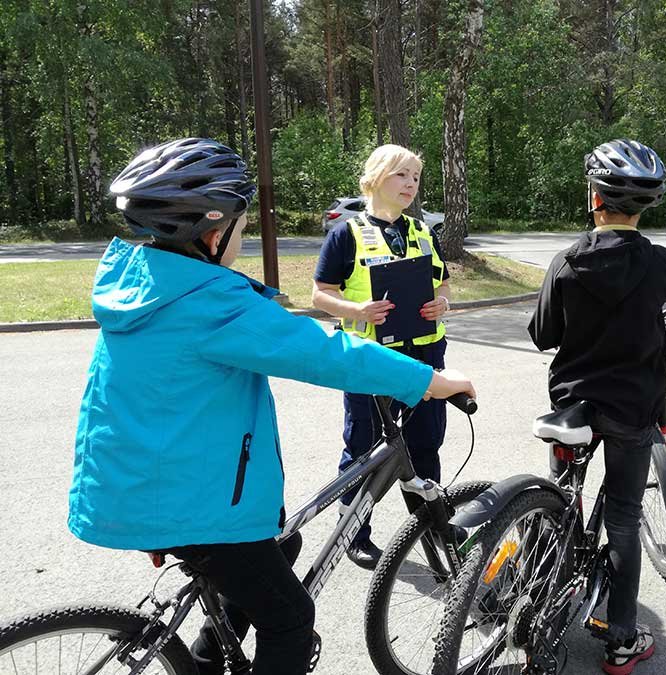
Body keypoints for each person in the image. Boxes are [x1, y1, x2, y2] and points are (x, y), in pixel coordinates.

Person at [67, 137, 475, 675]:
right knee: (290, 619)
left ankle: (207, 662)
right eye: (242, 228)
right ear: (213, 234)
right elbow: (323, 353)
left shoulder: (143, 286)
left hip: (146, 483)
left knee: (283, 547)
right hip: (191, 500)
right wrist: (429, 381)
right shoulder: (209, 302)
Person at [528, 139, 666, 675]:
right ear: (646, 206)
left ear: (594, 198)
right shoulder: (661, 264)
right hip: (632, 410)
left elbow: (542, 335)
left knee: (560, 500)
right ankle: (620, 640)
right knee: (622, 517)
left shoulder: (566, 261)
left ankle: (543, 579)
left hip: (572, 406)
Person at [312, 144, 452, 569]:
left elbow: (443, 284)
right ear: (375, 178)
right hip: (369, 359)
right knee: (363, 449)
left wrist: (443, 302)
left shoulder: (423, 231)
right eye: (401, 175)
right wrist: (356, 311)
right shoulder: (346, 234)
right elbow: (320, 294)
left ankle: (431, 526)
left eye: (416, 177)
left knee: (426, 443)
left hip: (424, 354)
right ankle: (354, 534)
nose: (411, 183)